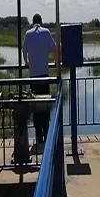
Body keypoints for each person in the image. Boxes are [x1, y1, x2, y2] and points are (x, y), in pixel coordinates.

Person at [22, 14, 58, 145]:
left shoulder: (28, 34)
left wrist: (27, 63)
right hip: (44, 75)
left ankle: (38, 135)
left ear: (33, 22)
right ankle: (47, 132)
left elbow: (24, 51)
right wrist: (56, 62)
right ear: (41, 22)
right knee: (45, 104)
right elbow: (54, 49)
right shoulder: (46, 32)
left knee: (35, 105)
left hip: (33, 76)